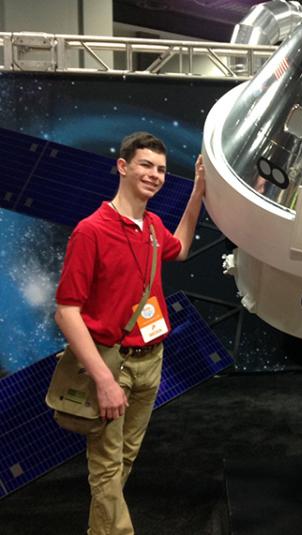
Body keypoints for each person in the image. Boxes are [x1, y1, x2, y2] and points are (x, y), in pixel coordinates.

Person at [54, 131, 205, 535]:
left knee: (123, 459)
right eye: (145, 165)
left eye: (160, 169)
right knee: (106, 467)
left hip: (150, 362)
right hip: (111, 364)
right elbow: (66, 312)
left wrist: (198, 192)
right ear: (123, 166)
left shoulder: (153, 226)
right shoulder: (92, 231)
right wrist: (104, 381)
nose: (154, 175)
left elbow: (182, 248)